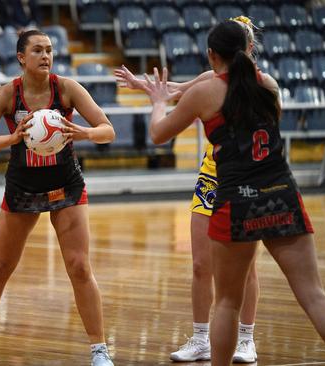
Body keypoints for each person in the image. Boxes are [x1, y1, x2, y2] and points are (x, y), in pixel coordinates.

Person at [116, 20, 325, 366]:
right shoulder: (269, 85)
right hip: (281, 192)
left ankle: (235, 348)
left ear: (212, 55)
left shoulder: (206, 92)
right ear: (247, 49)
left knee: (227, 302)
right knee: (314, 295)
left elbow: (158, 134)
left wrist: (157, 101)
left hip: (237, 197)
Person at [0, 29, 116, 366]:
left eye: (50, 50)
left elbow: (107, 130)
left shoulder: (66, 88)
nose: (45, 56)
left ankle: (99, 350)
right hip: (23, 186)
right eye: (37, 50)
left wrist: (84, 132)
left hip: (66, 184)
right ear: (21, 57)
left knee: (79, 266)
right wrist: (10, 139)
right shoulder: (8, 94)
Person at [115, 16, 261, 363]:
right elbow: (181, 89)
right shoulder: (211, 78)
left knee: (248, 269)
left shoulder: (261, 85)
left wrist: (158, 102)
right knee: (199, 264)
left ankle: (246, 338)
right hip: (211, 178)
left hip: (246, 181)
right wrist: (142, 86)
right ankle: (200, 338)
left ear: (249, 49)